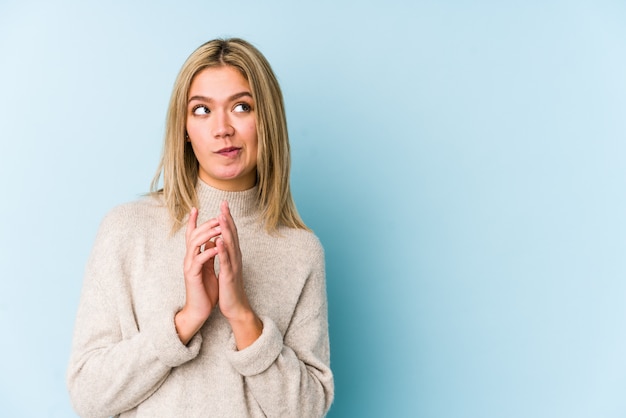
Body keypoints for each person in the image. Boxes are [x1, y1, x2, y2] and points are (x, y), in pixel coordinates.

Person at [67, 38, 334, 417]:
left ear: (267, 121)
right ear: (185, 127)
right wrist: (187, 319)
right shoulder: (126, 230)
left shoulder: (301, 251)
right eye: (202, 110)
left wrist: (242, 315)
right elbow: (89, 396)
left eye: (242, 107)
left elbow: (306, 410)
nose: (222, 128)